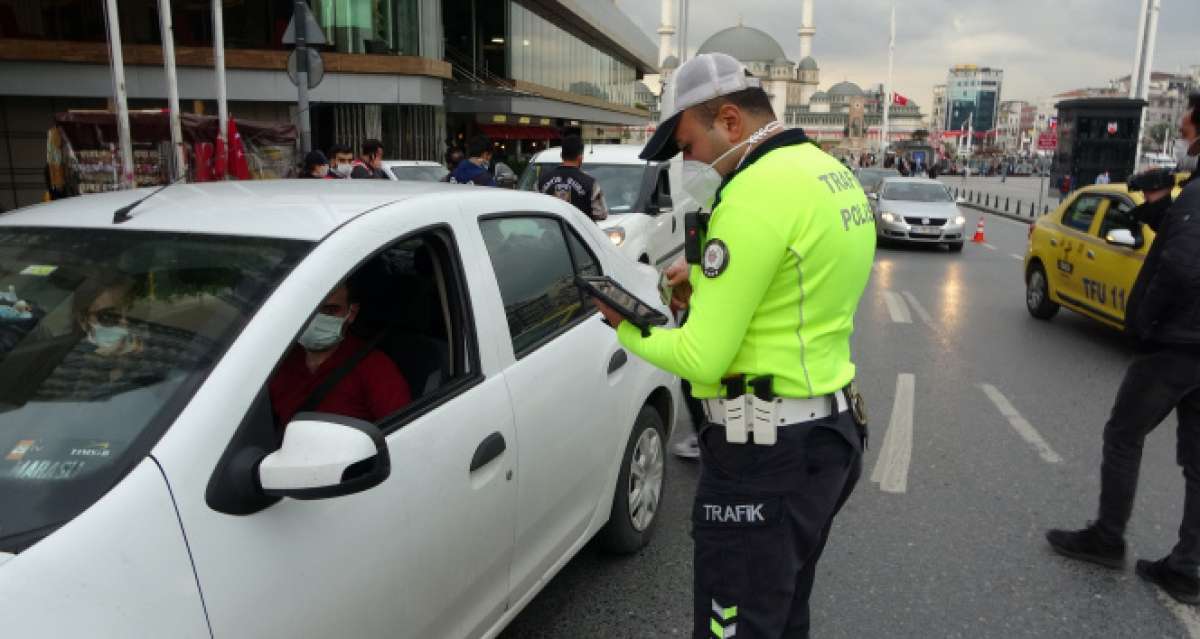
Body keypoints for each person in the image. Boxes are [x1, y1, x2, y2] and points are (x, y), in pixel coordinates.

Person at [591, 52, 874, 637]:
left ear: (730, 121)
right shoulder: (827, 173)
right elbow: (798, 285)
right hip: (827, 436)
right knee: (782, 613)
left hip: (763, 459)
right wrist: (708, 286)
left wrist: (623, 325)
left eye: (688, 145)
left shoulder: (751, 195)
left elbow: (701, 358)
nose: (691, 162)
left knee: (735, 627)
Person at [1047, 92, 1200, 604]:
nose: (1181, 129)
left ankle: (1107, 537)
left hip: (1178, 345)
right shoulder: (1192, 195)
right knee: (1197, 460)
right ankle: (1187, 566)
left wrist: (1145, 322)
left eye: (1187, 121)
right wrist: (1162, 213)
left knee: (1123, 434)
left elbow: (1182, 265)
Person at [268, 281, 411, 427]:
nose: (315, 319)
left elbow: (403, 433)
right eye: (309, 309)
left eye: (329, 311)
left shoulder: (375, 368)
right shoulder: (278, 361)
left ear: (351, 313)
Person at [535, 134, 609, 221]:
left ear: (561, 155)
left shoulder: (542, 180)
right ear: (580, 158)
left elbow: (535, 209)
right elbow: (601, 214)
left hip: (550, 232)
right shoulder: (590, 183)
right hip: (578, 233)